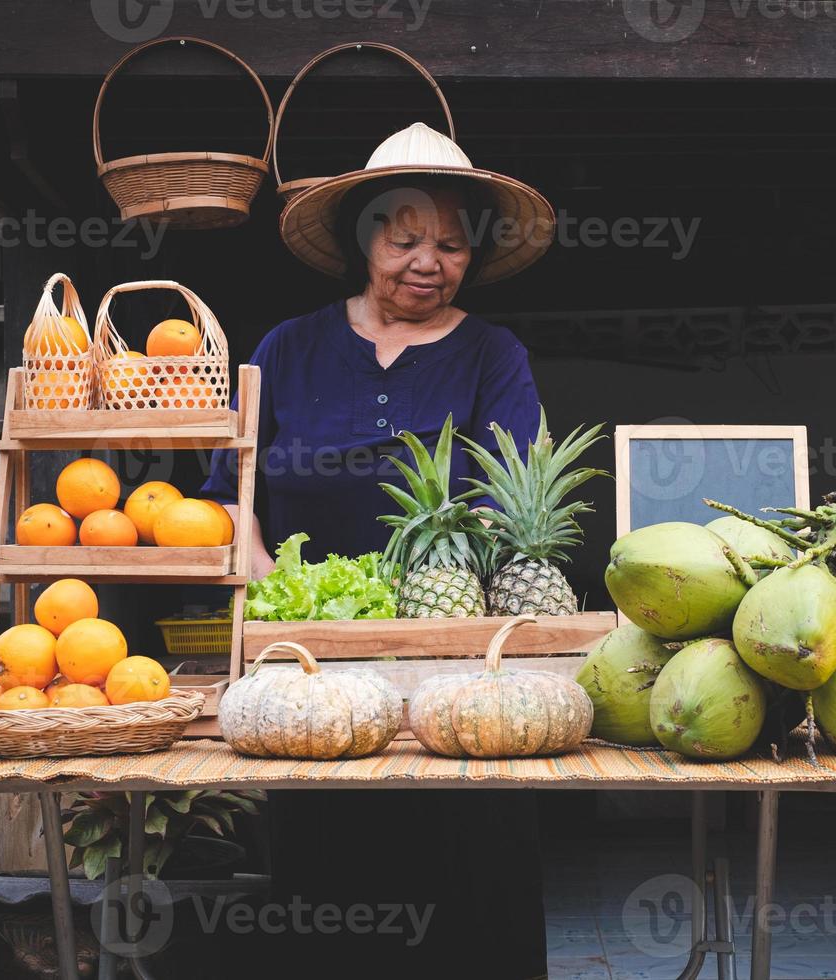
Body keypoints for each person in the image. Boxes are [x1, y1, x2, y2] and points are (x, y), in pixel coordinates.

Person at [202, 123, 558, 978]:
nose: (426, 262)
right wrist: (266, 585)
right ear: (365, 240)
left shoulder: (491, 354)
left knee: (471, 849)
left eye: (450, 244)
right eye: (405, 240)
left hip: (460, 661)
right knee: (330, 846)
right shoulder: (289, 346)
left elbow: (518, 492)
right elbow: (228, 485)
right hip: (309, 664)